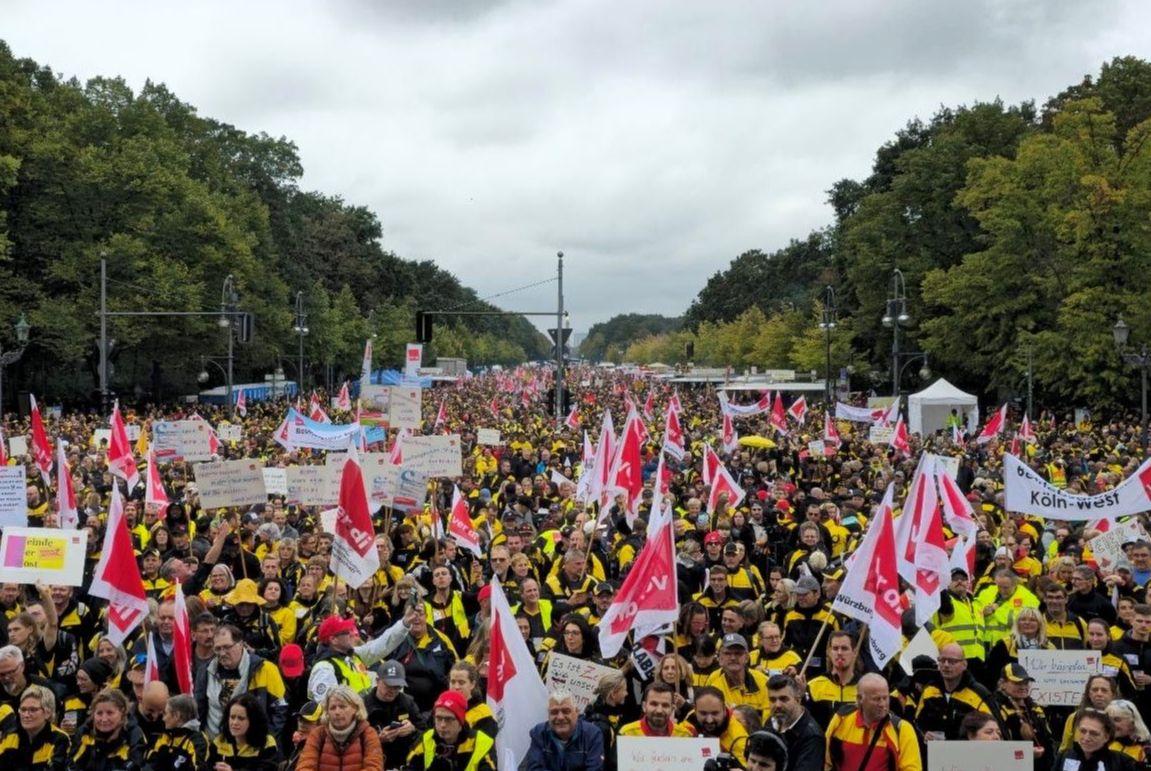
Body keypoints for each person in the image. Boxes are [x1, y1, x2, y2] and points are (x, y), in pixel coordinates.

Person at [194, 623, 288, 739]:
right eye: (218, 649)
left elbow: (280, 710)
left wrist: (265, 741)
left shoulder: (266, 669)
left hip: (253, 748)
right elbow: (199, 710)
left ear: (240, 644)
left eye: (227, 647)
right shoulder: (205, 672)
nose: (222, 653)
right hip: (215, 747)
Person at [824, 673, 920, 771]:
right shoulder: (841, 719)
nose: (883, 704)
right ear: (859, 699)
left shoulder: (902, 729)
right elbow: (826, 761)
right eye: (876, 699)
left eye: (885, 698)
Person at [915, 642, 997, 740]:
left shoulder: (979, 694)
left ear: (964, 664)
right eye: (942, 660)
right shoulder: (930, 690)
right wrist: (924, 734)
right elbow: (917, 723)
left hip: (968, 753)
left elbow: (996, 731)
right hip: (934, 753)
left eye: (952, 661)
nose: (946, 665)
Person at [295, 685, 384, 771]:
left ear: (355, 708)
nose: (337, 712)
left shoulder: (368, 734)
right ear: (327, 712)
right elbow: (304, 766)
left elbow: (374, 767)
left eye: (342, 707)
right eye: (332, 708)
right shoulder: (318, 734)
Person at [405, 689, 496, 771]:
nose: (443, 725)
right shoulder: (426, 738)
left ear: (460, 721)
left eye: (449, 719)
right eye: (438, 718)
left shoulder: (482, 742)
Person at [363, 659, 423, 769]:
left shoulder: (407, 702)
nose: (392, 690)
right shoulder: (363, 706)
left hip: (404, 763)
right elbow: (353, 742)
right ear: (377, 681)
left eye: (397, 687)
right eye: (388, 685)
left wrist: (412, 730)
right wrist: (377, 739)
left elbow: (425, 733)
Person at [524, 691, 605, 771]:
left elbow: (595, 769)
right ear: (548, 715)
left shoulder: (592, 734)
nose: (560, 717)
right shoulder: (539, 733)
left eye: (566, 711)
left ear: (577, 712)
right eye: (554, 712)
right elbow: (534, 768)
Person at [69, 687, 147, 771]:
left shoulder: (134, 735)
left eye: (110, 713)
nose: (104, 719)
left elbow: (137, 765)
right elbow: (71, 765)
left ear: (122, 712)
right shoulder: (85, 733)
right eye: (99, 713)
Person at [204, 692, 282, 771]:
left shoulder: (267, 743)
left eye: (241, 718)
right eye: (232, 717)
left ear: (252, 720)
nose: (235, 723)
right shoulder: (219, 742)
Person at [0, 684, 70, 769]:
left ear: (47, 713)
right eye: (23, 709)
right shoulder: (10, 736)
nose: (26, 715)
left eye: (33, 710)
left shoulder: (60, 739)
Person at [306, 615, 374, 701]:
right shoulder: (324, 668)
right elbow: (328, 708)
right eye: (346, 632)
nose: (352, 634)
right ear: (333, 639)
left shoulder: (352, 658)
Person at [705, 634, 771, 720]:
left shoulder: (764, 682)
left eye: (738, 653)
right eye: (727, 653)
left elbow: (769, 718)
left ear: (747, 657)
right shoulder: (714, 688)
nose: (733, 658)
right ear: (720, 658)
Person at [766, 674, 824, 771]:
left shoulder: (813, 737)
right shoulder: (771, 722)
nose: (777, 705)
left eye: (783, 699)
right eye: (772, 700)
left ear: (797, 699)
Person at [1051, 708, 1137, 771]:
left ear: (1106, 737)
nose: (1086, 738)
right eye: (1083, 731)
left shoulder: (1122, 762)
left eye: (1094, 733)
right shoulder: (1064, 756)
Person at [805, 631, 861, 728]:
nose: (839, 653)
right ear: (829, 652)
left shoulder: (865, 687)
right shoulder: (814, 686)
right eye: (835, 648)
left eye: (844, 648)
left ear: (854, 652)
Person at [142, 693, 208, 771]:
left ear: (177, 716)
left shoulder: (198, 741)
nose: (163, 719)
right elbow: (149, 763)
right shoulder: (165, 735)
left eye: (165, 713)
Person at [686, 686, 749, 767]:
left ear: (724, 710)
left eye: (715, 713)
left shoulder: (738, 740)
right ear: (695, 709)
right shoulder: (691, 717)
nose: (709, 720)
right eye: (703, 713)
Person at [619, 682, 697, 738]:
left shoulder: (684, 736)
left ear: (672, 709)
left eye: (665, 705)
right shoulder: (626, 733)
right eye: (654, 704)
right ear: (644, 706)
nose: (659, 710)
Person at [1104, 699, 1150, 767]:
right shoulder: (1104, 744)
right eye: (1109, 720)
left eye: (1117, 720)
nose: (1112, 724)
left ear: (1133, 722)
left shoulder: (1146, 749)